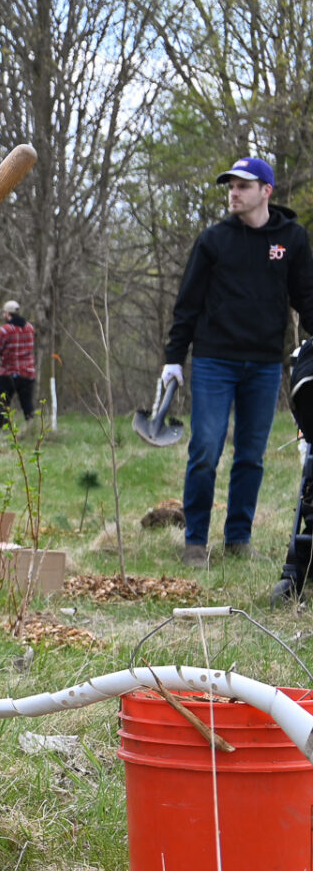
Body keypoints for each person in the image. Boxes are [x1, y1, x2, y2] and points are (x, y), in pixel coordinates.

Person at [166, 155, 313, 567]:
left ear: (266, 191)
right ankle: (195, 540)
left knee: (251, 454)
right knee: (206, 450)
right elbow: (187, 304)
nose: (234, 192)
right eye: (230, 185)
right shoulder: (213, 240)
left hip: (265, 365)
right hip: (215, 360)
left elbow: (306, 298)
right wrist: (173, 359)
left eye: (243, 185)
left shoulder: (292, 239)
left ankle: (238, 538)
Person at [0, 300, 36, 427]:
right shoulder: (30, 327)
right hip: (27, 372)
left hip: (8, 372)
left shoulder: (5, 330)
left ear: (7, 314)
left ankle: (4, 430)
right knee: (27, 404)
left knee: (4, 404)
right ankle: (31, 427)